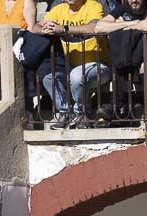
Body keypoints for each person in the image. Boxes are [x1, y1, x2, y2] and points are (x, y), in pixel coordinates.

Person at [37, 0, 109, 129]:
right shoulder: (59, 9)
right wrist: (45, 28)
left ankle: (83, 114)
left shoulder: (93, 6)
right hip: (69, 66)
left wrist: (64, 29)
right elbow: (37, 26)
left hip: (98, 66)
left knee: (77, 75)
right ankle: (66, 113)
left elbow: (94, 27)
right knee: (49, 76)